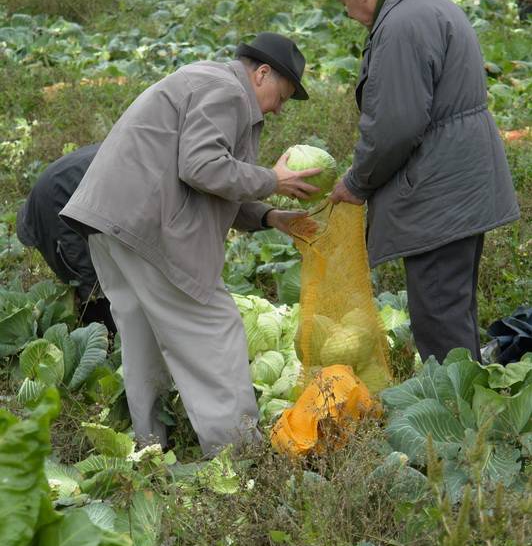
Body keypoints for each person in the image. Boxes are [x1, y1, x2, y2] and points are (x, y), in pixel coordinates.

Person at [60, 33, 321, 455]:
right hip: (147, 226)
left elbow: (205, 180)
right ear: (262, 73)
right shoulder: (226, 91)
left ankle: (150, 446)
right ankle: (238, 458)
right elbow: (202, 167)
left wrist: (269, 216)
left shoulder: (205, 80)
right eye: (281, 96)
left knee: (141, 337)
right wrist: (274, 180)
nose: (277, 108)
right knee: (214, 329)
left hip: (112, 224)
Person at [322, 0, 520, 365]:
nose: (348, 14)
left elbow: (395, 125)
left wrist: (356, 183)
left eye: (344, 3)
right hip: (459, 181)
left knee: (438, 314)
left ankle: (455, 423)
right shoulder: (427, 5)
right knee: (453, 304)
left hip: (437, 193)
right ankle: (470, 405)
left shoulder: (400, 25)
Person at [16, 145, 116, 333]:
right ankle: (103, 329)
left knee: (93, 270)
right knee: (84, 275)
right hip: (55, 202)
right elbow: (77, 257)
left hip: (66, 191)